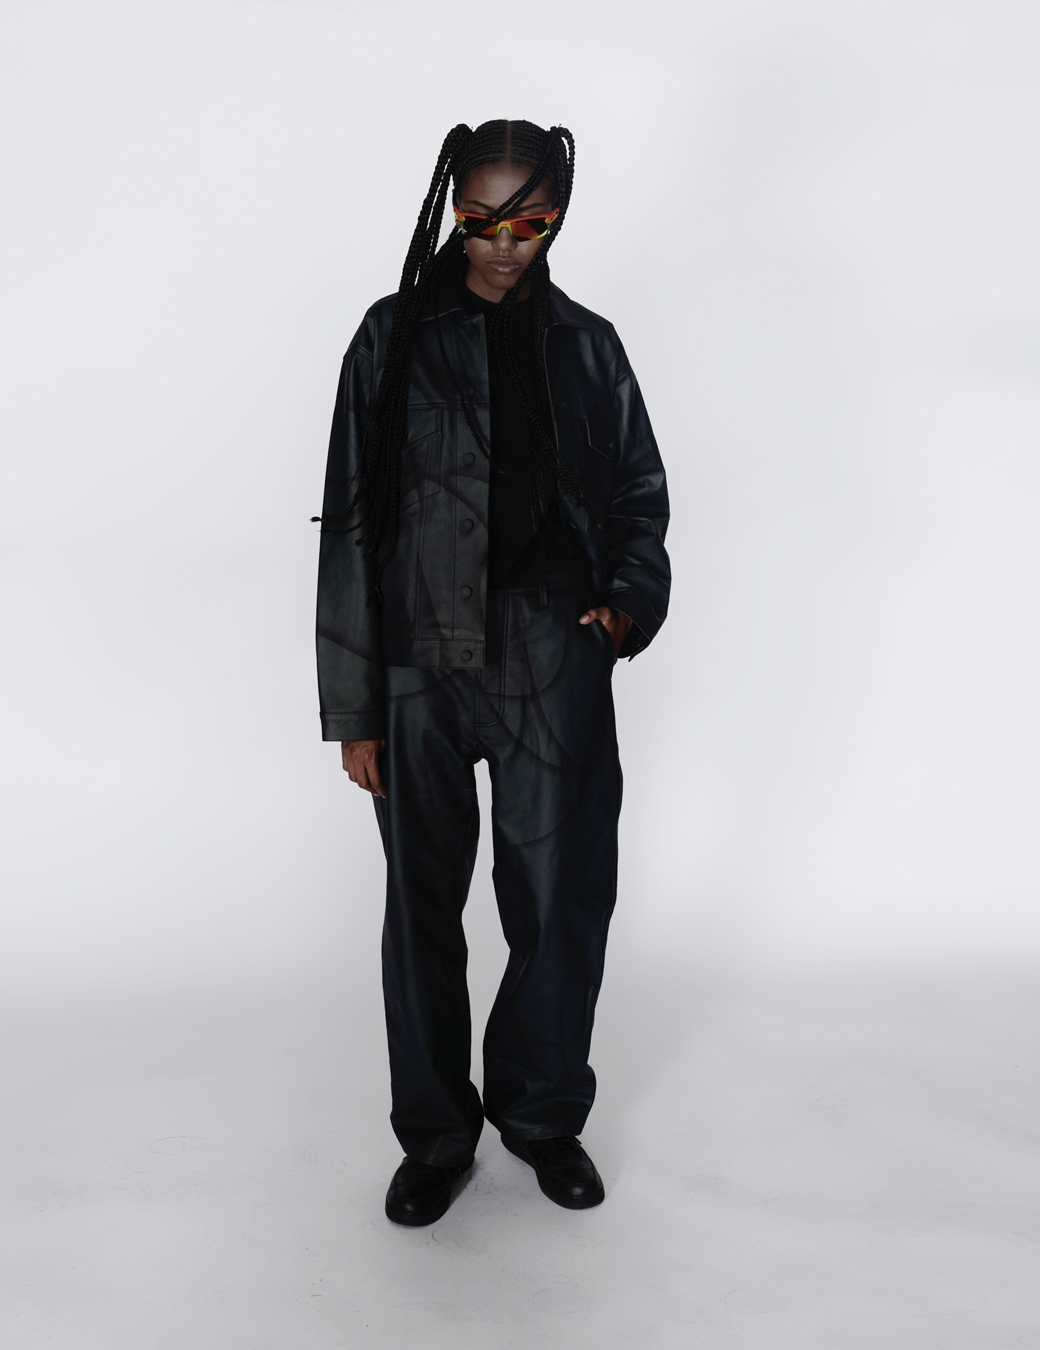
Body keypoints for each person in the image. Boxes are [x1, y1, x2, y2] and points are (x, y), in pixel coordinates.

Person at [315, 120, 670, 1226]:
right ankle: (434, 1138)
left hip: (551, 651)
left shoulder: (589, 345)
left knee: (560, 898)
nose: (504, 243)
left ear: (558, 215)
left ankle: (542, 1117)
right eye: (481, 219)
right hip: (417, 659)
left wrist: (621, 610)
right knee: (420, 905)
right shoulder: (391, 337)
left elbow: (639, 493)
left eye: (530, 221)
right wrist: (355, 705)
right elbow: (351, 522)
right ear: (452, 208)